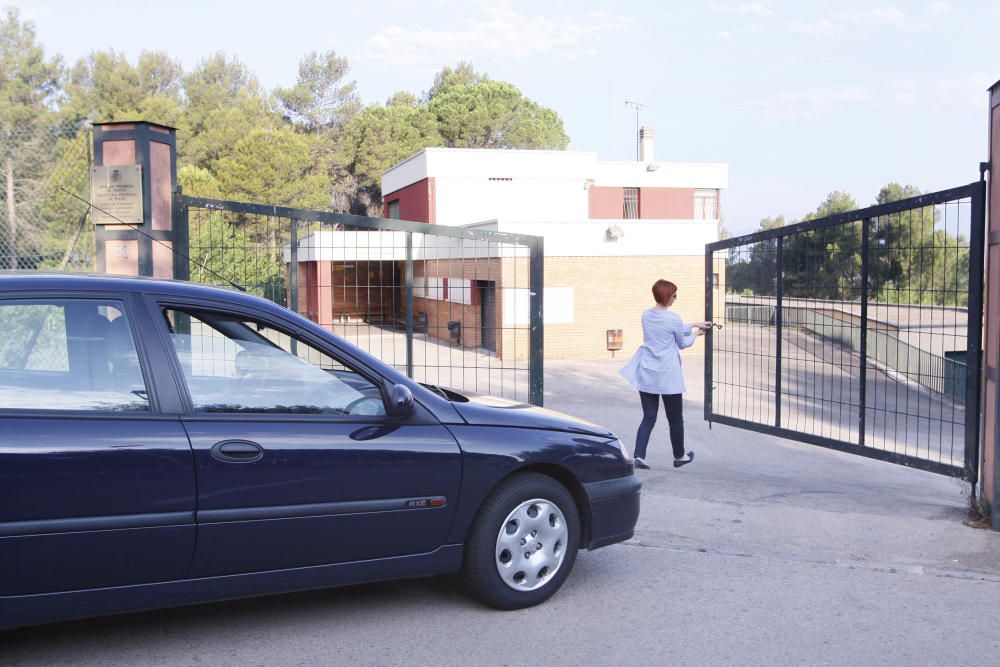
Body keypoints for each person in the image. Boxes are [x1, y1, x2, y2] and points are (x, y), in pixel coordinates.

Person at [619, 279, 711, 470]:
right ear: (668, 297)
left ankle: (639, 456)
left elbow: (668, 329)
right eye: (674, 294)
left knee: (649, 417)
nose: (676, 298)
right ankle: (679, 456)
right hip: (668, 376)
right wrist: (696, 333)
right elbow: (682, 342)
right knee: (675, 419)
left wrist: (694, 324)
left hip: (647, 373)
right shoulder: (674, 318)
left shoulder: (646, 316)